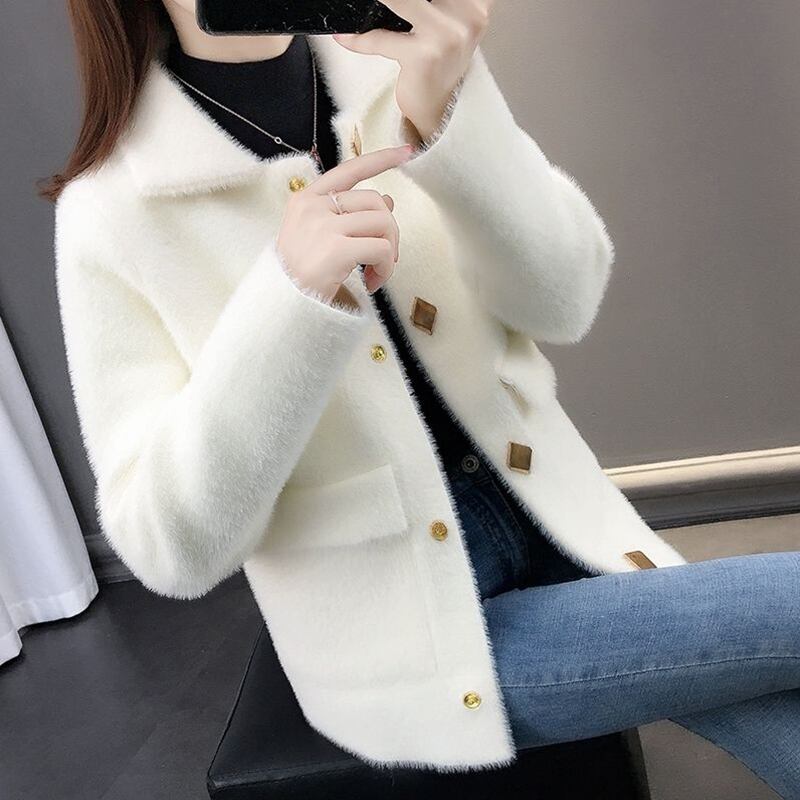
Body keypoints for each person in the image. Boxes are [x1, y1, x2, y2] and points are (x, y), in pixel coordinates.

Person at [43, 1, 800, 794]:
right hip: (413, 640)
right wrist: (288, 300)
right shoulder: (113, 209)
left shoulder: (400, 70)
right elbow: (170, 550)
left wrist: (453, 122)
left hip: (556, 523)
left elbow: (567, 301)